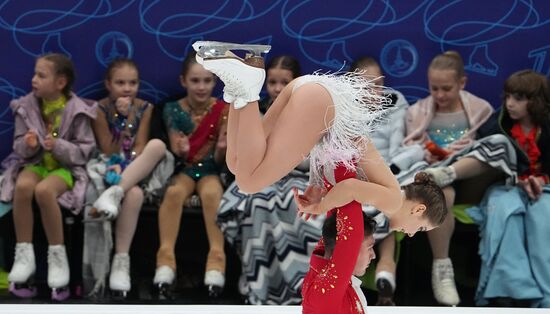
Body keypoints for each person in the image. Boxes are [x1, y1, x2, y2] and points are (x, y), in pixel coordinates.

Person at [192, 41, 447, 311]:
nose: (410, 234)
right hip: (321, 106)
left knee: (237, 165)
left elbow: (345, 155)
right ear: (418, 208)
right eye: (419, 228)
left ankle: (240, 82)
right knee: (249, 180)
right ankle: (248, 85)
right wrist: (323, 205)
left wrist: (318, 185)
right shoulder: (393, 199)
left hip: (313, 93)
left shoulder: (386, 185)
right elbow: (350, 187)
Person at [217, 55, 323, 305]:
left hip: (298, 178)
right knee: (255, 199)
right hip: (261, 176)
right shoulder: (258, 109)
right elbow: (240, 158)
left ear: (295, 82)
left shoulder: (308, 110)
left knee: (288, 201)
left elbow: (313, 158)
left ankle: (303, 279)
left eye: (283, 82)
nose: (276, 88)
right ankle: (257, 275)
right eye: (272, 82)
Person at [398, 51, 500, 306]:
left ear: (462, 83)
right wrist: (427, 153)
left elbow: (485, 149)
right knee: (442, 192)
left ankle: (450, 172)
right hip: (434, 180)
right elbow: (410, 148)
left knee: (496, 147)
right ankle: (442, 268)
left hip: (471, 179)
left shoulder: (481, 110)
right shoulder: (418, 111)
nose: (440, 95)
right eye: (434, 88)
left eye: (447, 88)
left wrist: (456, 157)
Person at [0, 53, 96, 300]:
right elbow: (19, 147)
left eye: (41, 75)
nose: (33, 79)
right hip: (36, 164)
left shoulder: (78, 110)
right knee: (23, 186)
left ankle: (58, 257)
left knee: (44, 191)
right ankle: (24, 254)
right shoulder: (26, 106)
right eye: (35, 73)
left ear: (60, 82)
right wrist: (29, 145)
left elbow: (84, 152)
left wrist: (59, 146)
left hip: (64, 169)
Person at [467, 70, 550, 307]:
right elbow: (482, 157)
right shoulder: (498, 123)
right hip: (505, 188)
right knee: (507, 212)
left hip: (543, 190)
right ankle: (509, 287)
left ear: (536, 101)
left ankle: (545, 292)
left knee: (542, 216)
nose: (510, 104)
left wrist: (541, 181)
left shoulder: (547, 127)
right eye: (508, 97)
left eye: (519, 98)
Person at [87, 58, 169, 297]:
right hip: (109, 165)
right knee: (134, 193)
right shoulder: (99, 109)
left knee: (157, 145)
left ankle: (115, 193)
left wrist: (131, 117)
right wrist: (121, 123)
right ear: (108, 84)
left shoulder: (145, 107)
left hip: (137, 165)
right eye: (120, 83)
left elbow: (140, 148)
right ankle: (120, 261)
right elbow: (109, 151)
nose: (127, 88)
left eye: (132, 83)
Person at [153, 51, 228, 299]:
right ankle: (165, 262)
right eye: (195, 81)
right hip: (184, 169)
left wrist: (220, 151)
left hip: (211, 171)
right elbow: (177, 153)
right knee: (173, 193)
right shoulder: (172, 109)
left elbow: (220, 161)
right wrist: (181, 149)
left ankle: (216, 262)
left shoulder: (223, 110)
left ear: (215, 82)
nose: (201, 86)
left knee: (212, 193)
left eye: (207, 81)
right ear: (183, 81)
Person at [349, 56, 409, 305]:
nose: (374, 92)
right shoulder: (342, 107)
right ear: (352, 86)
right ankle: (376, 272)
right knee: (362, 203)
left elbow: (399, 147)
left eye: (378, 85)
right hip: (354, 175)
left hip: (389, 172)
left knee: (391, 196)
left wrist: (384, 173)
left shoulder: (394, 102)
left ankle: (386, 272)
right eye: (366, 86)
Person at [301, 210, 377, 313]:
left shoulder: (324, 270)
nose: (373, 255)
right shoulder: (326, 292)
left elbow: (339, 206)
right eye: (369, 247)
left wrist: (325, 196)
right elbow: (350, 228)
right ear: (348, 250)